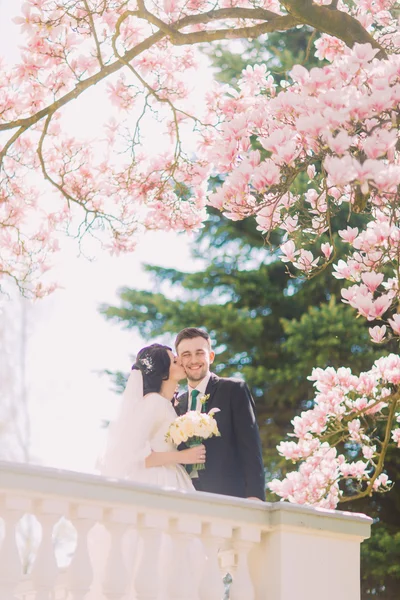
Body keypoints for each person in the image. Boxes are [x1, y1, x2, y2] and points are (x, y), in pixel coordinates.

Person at [175, 328, 266, 500]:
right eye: (186, 354)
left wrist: (255, 496)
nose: (193, 360)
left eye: (199, 353)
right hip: (185, 496)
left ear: (210, 356)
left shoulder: (233, 390)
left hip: (227, 496)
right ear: (179, 360)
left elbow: (250, 447)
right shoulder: (176, 404)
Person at [99, 343, 205, 490]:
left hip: (172, 476)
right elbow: (135, 456)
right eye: (174, 361)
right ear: (162, 373)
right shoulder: (153, 401)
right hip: (157, 479)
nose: (181, 361)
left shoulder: (167, 404)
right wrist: (183, 457)